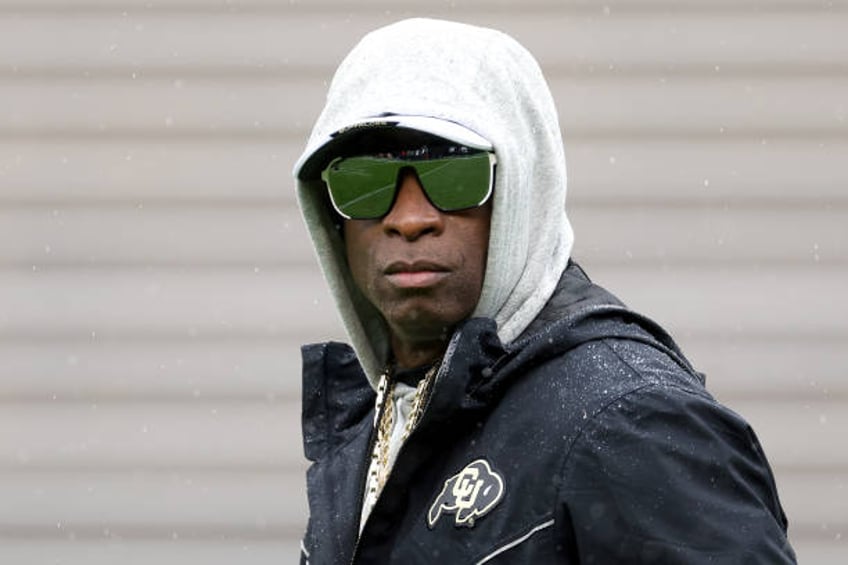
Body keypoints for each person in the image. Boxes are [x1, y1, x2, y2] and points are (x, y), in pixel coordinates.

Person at [292, 18, 796, 564]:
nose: (410, 218)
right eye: (363, 183)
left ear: (522, 189)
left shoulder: (627, 419)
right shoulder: (391, 418)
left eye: (454, 176)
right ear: (329, 214)